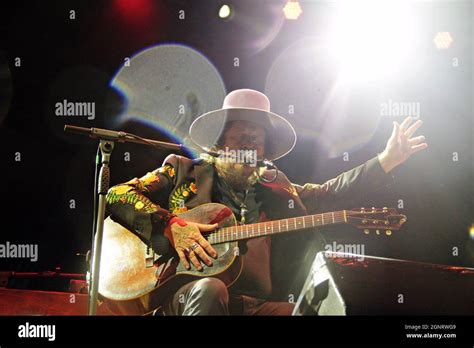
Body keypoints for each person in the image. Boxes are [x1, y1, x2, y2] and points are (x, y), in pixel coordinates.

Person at [105, 89, 427, 315]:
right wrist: (172, 226)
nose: (248, 147)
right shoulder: (183, 170)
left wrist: (384, 161)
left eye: (255, 140)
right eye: (240, 138)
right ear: (220, 143)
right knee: (211, 289)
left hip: (253, 305)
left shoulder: (278, 189)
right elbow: (118, 194)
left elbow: (329, 193)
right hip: (185, 295)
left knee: (314, 311)